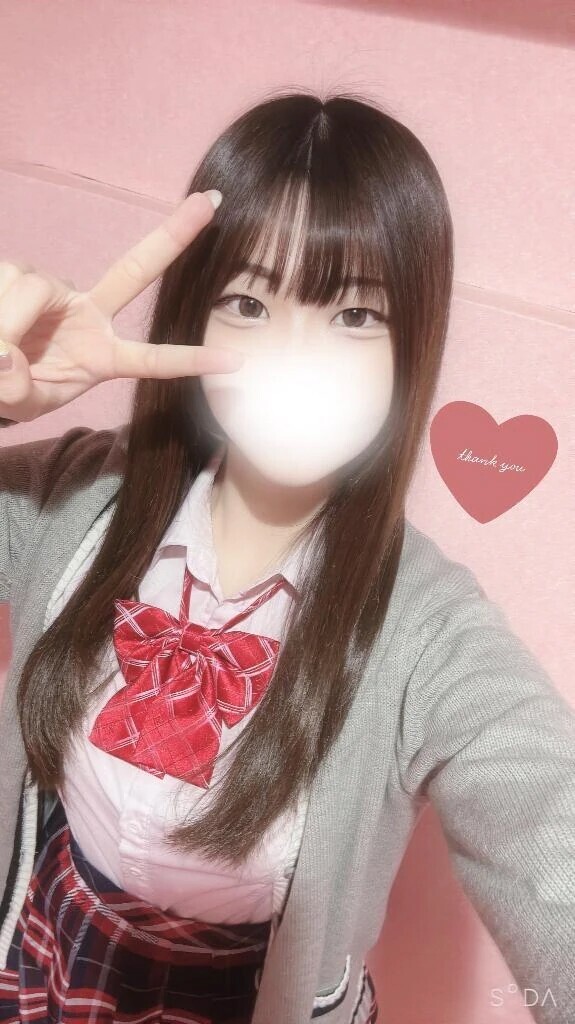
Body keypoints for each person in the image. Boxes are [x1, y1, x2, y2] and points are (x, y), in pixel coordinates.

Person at [0, 90, 573, 1024]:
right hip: (44, 949)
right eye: (247, 302)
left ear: (412, 340)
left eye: (355, 314)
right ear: (193, 316)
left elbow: (548, 825)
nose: (294, 354)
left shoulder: (430, 634)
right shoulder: (73, 498)